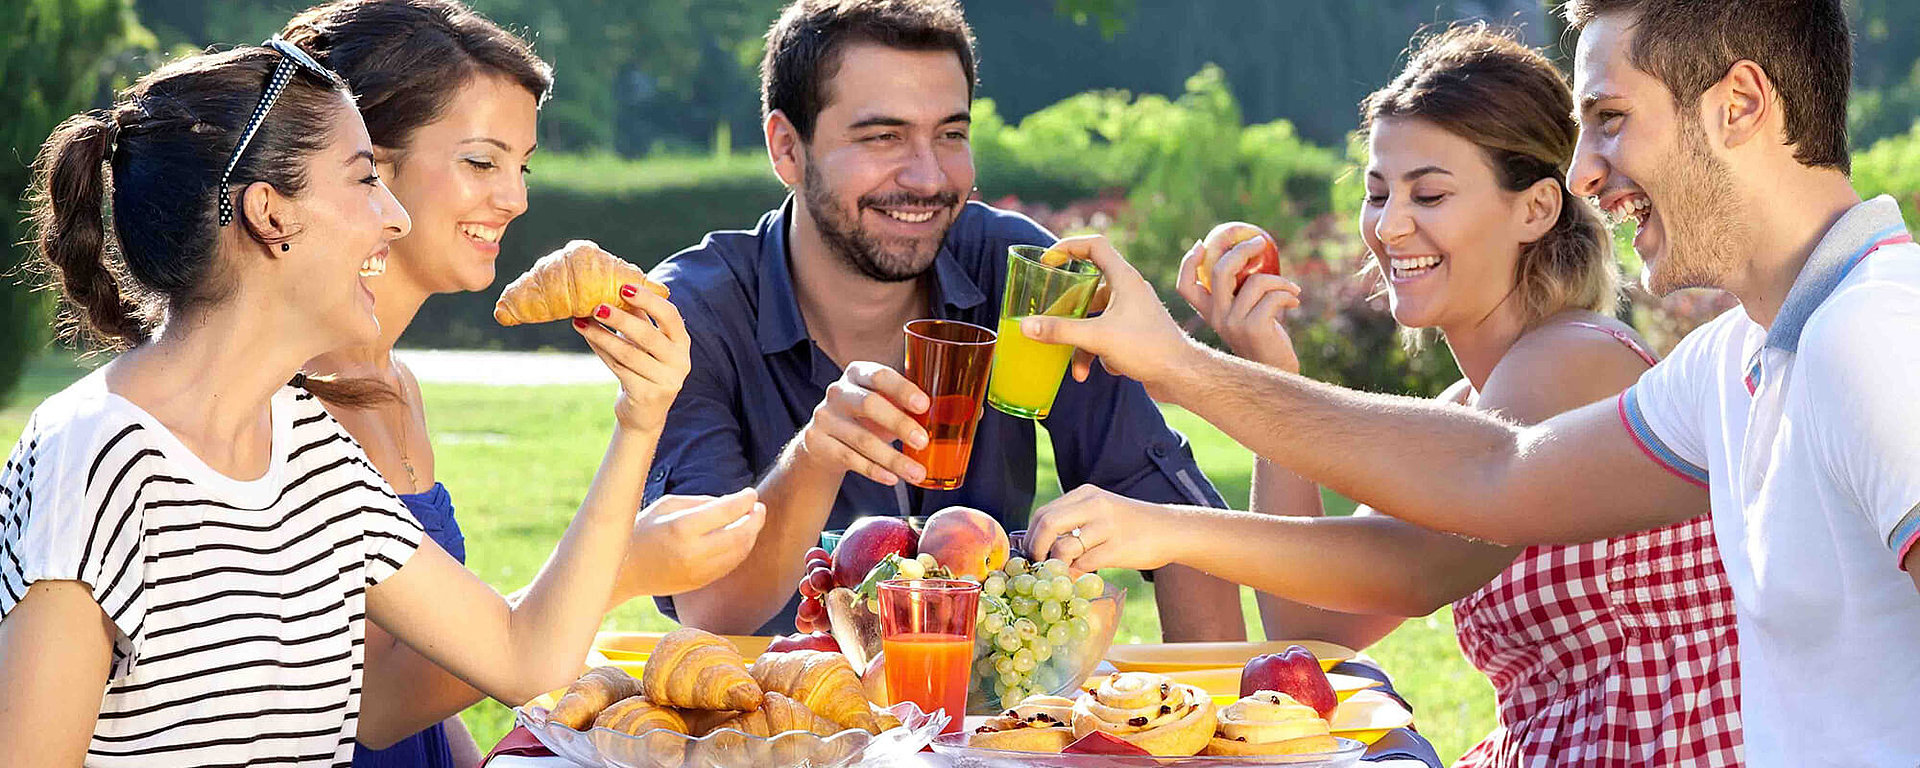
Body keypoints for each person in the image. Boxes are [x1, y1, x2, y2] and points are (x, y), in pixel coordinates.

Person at [1021, 1, 1920, 764]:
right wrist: (1224, 369)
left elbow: (1428, 554)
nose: (1584, 172)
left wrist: (1177, 398)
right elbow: (1492, 481)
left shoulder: (1872, 333)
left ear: (1740, 105)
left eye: (1611, 117)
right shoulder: (1734, 361)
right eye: (1379, 191)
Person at [0, 42, 759, 767]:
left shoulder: (307, 448)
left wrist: (639, 418)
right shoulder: (92, 460)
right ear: (270, 214)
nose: (394, 218)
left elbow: (525, 656)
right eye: (365, 180)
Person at [645, 0, 1246, 639]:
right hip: (772, 702)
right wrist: (815, 458)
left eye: (951, 134)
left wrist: (1201, 698)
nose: (929, 178)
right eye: (883, 137)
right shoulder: (695, 312)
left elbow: (1181, 528)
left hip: (985, 703)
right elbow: (710, 606)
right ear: (787, 149)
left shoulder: (1019, 275)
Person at [277, 2, 768, 765]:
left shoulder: (394, 385)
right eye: (482, 162)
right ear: (366, 165)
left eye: (523, 166)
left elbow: (420, 674)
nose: (516, 198)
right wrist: (623, 567)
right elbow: (374, 707)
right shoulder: (298, 395)